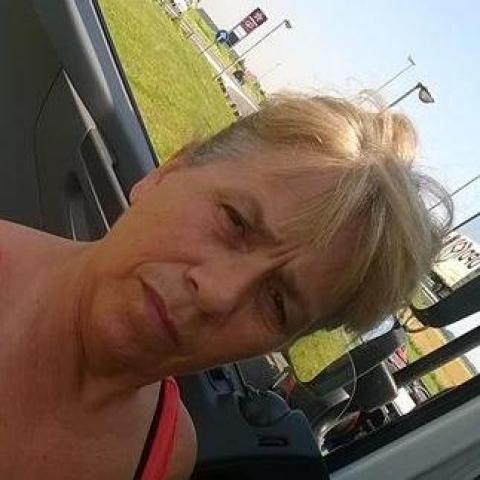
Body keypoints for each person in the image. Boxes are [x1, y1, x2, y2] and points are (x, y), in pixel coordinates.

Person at [0, 94, 452, 479]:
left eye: (278, 304)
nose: (219, 293)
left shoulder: (168, 453)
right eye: (235, 222)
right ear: (165, 174)